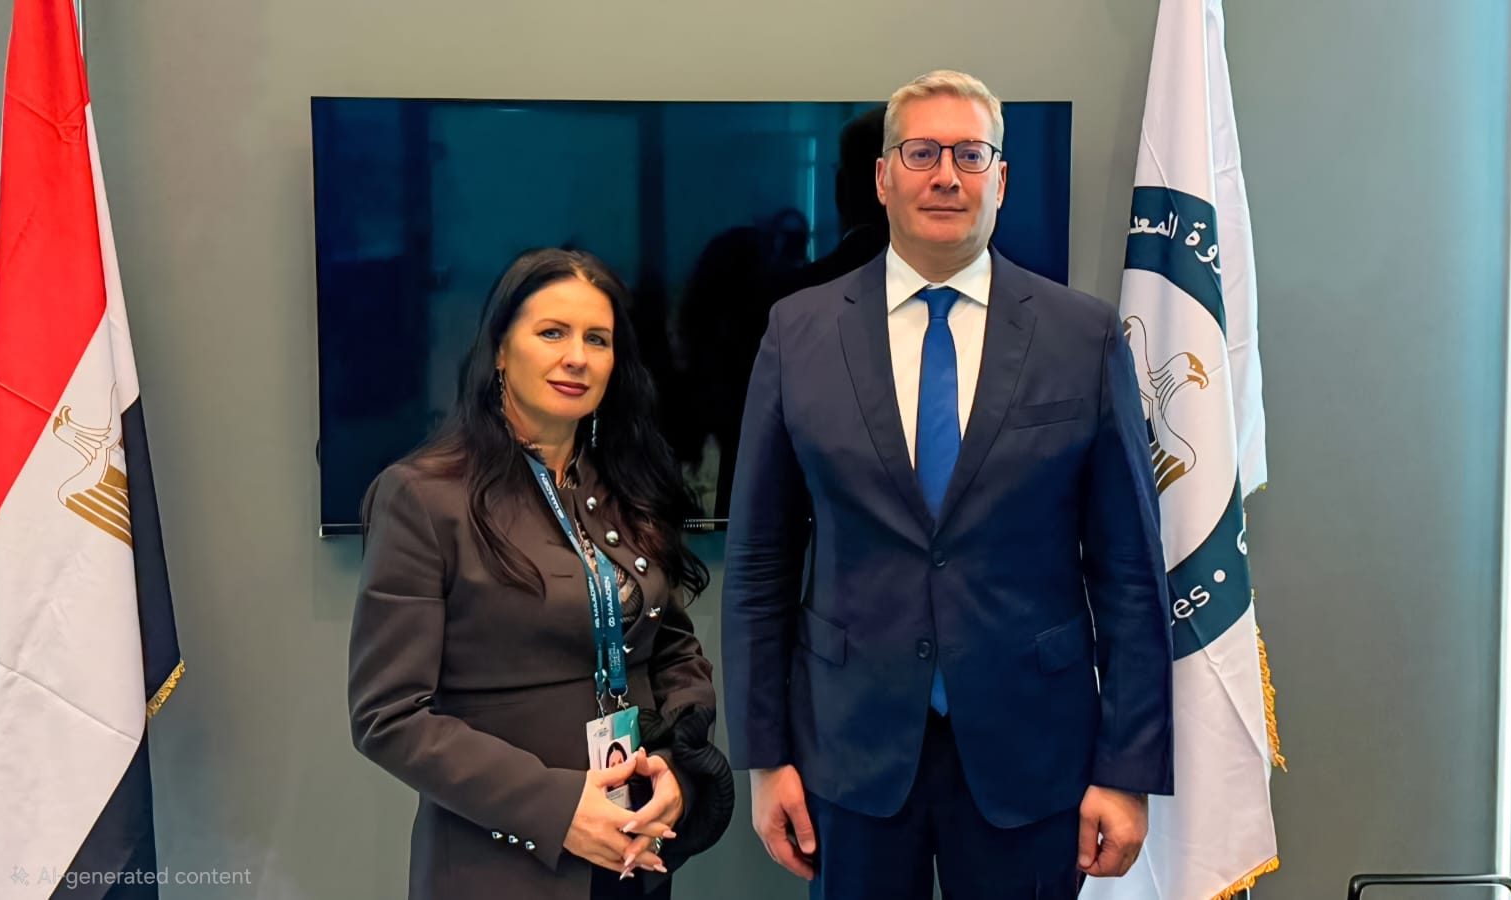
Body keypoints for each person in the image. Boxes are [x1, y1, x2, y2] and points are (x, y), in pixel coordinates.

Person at [720, 70, 1174, 900]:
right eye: (921, 152)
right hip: (849, 750)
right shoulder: (798, 332)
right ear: (882, 177)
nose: (945, 176)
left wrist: (1127, 770)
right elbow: (759, 562)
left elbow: (1131, 572)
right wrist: (764, 756)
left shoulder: (1082, 335)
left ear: (1001, 179)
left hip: (1032, 750)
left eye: (970, 155)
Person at [349, 248, 732, 900]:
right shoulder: (421, 497)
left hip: (632, 854)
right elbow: (387, 715)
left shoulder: (627, 488)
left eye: (597, 339)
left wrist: (677, 771)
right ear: (501, 350)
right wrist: (558, 811)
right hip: (500, 870)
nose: (577, 357)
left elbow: (672, 650)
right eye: (552, 332)